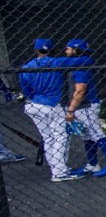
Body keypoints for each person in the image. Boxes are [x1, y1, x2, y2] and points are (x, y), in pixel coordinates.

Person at [19, 38, 80, 181]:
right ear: (53, 49)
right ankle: (59, 172)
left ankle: (56, 168)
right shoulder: (57, 62)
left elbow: (27, 91)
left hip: (34, 104)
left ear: (36, 50)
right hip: (53, 104)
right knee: (61, 136)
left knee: (48, 137)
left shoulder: (26, 67)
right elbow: (82, 61)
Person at [63, 39, 106, 177]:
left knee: (97, 134)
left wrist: (71, 109)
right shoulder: (79, 63)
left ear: (75, 50)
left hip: (86, 106)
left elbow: (80, 90)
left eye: (68, 49)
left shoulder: (81, 66)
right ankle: (92, 164)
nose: (65, 51)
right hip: (82, 106)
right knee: (87, 136)